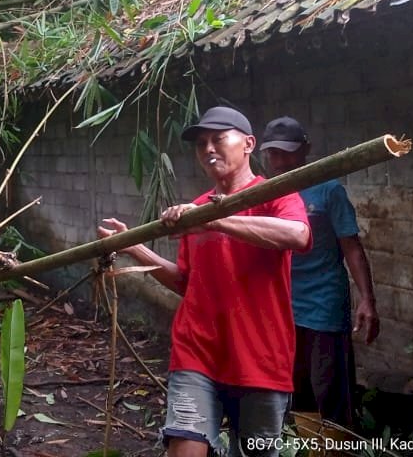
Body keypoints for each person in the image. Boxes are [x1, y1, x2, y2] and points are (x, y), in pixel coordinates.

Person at [97, 106, 310, 457]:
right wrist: (136, 248)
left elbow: (298, 235)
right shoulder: (195, 210)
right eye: (201, 143)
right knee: (185, 447)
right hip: (197, 354)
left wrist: (216, 219)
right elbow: (187, 283)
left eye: (218, 138)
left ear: (248, 144)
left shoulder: (275, 195)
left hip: (260, 358)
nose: (208, 148)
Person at [259, 116, 379, 430]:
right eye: (273, 153)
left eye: (287, 152)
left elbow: (351, 246)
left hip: (324, 303)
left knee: (330, 389)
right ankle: (311, 445)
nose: (279, 161)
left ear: (306, 149)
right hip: (285, 305)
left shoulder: (328, 190)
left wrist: (367, 300)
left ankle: (337, 448)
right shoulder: (266, 193)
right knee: (296, 390)